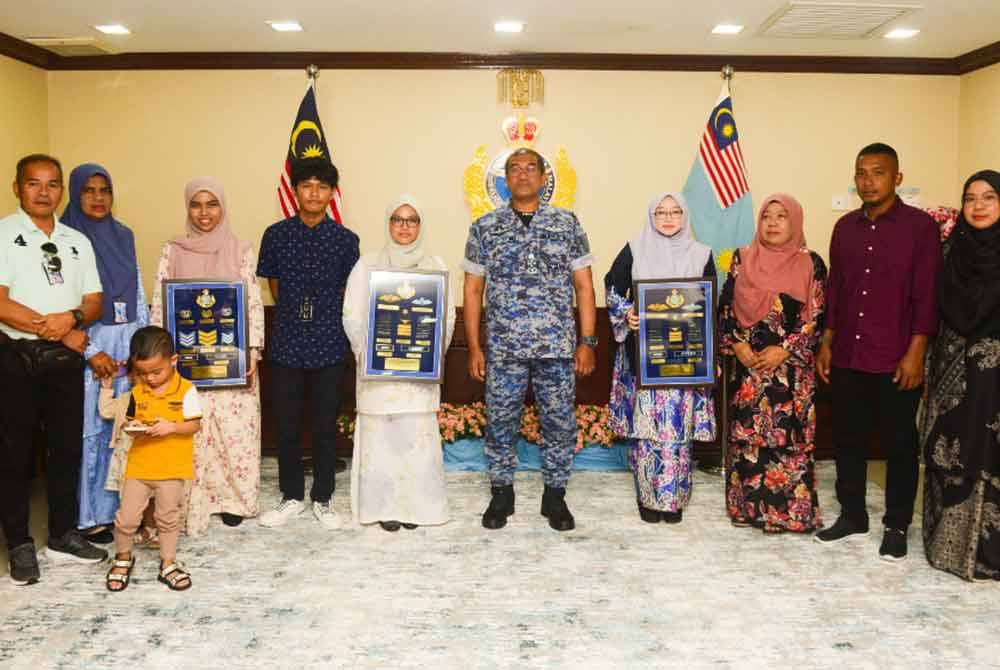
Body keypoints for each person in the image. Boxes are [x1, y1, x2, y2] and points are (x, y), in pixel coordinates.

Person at [815, 143, 941, 560]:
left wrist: (916, 352)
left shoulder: (920, 228)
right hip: (848, 351)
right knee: (847, 439)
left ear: (897, 178)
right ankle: (853, 514)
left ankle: (897, 524)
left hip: (896, 356)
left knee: (899, 444)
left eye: (878, 172)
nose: (868, 181)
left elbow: (926, 294)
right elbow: (836, 291)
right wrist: (827, 342)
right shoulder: (844, 228)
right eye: (861, 173)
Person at [463, 148, 597, 532]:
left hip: (556, 346)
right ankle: (501, 492)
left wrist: (587, 342)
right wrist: (474, 347)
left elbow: (584, 286)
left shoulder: (566, 223)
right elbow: (472, 290)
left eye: (531, 168)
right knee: (500, 421)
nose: (523, 175)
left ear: (543, 177)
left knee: (559, 422)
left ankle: (555, 494)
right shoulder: (485, 227)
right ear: (506, 179)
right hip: (504, 348)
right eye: (515, 169)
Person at [0, 154, 108, 585]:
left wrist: (73, 321)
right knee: (14, 455)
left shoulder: (77, 241)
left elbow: (94, 302)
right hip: (15, 357)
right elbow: (1, 301)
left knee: (66, 450)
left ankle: (63, 534)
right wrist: (59, 331)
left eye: (52, 184)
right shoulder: (4, 234)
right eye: (34, 183)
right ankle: (19, 544)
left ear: (62, 190)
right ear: (17, 188)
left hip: (64, 364)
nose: (43, 192)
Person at [149, 178, 265, 534]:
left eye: (212, 204)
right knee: (192, 432)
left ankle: (234, 501)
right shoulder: (173, 250)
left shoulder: (241, 249)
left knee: (234, 433)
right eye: (196, 204)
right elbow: (160, 303)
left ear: (223, 208)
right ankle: (193, 502)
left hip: (232, 360)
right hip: (185, 363)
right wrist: (160, 357)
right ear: (187, 207)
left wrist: (253, 351)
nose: (204, 213)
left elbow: (252, 302)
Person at [256, 158, 359, 530]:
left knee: (324, 424)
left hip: (329, 343)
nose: (314, 193)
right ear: (295, 190)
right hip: (287, 342)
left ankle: (323, 497)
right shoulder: (276, 235)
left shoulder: (346, 241)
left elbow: (349, 292)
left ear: (331, 193)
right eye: (306, 185)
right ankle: (291, 496)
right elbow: (274, 286)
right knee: (286, 424)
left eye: (322, 186)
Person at [343, 195, 456, 531]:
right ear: (388, 224)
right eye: (397, 219)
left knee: (415, 442)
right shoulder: (367, 265)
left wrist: (429, 354)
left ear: (420, 225)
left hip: (417, 376)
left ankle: (419, 509)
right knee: (382, 443)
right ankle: (383, 508)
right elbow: (352, 315)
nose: (404, 226)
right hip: (378, 374)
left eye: (412, 220)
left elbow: (447, 317)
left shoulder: (435, 265)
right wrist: (369, 354)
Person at [604, 192, 716, 523]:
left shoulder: (701, 253)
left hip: (685, 359)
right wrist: (628, 313)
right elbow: (613, 287)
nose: (668, 218)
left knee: (678, 431)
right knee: (647, 430)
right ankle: (648, 499)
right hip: (644, 356)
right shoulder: (635, 249)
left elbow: (711, 307)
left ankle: (674, 500)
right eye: (661, 212)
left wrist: (711, 355)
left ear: (685, 216)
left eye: (675, 212)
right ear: (651, 216)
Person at [719, 194, 827, 533]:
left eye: (782, 216)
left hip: (790, 371)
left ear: (795, 222)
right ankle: (746, 509)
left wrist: (786, 349)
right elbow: (725, 306)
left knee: (787, 439)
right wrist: (736, 344)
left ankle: (785, 515)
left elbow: (816, 315)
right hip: (748, 367)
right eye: (767, 216)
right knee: (748, 440)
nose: (773, 223)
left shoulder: (810, 263)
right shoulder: (742, 258)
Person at [60, 163, 149, 545]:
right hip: (87, 343)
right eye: (89, 190)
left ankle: (123, 510)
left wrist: (142, 346)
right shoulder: (64, 238)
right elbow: (62, 302)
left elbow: (137, 290)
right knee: (93, 429)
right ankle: (90, 515)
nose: (98, 198)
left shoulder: (124, 235)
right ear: (75, 194)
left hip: (127, 342)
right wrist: (92, 350)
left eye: (105, 190)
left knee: (127, 427)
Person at [921, 169, 1000, 581]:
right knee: (945, 449)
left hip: (994, 382)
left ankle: (988, 555)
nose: (978, 206)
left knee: (987, 455)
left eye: (989, 197)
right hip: (949, 370)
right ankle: (947, 548)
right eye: (970, 198)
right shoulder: (950, 250)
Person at [105, 326, 202, 592]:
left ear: (173, 360)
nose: (149, 378)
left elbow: (194, 425)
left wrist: (172, 426)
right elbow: (129, 420)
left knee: (168, 518)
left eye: (156, 372)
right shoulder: (138, 392)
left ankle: (168, 562)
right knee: (126, 519)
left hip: (172, 469)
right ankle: (123, 558)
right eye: (142, 373)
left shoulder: (187, 391)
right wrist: (132, 426)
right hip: (139, 467)